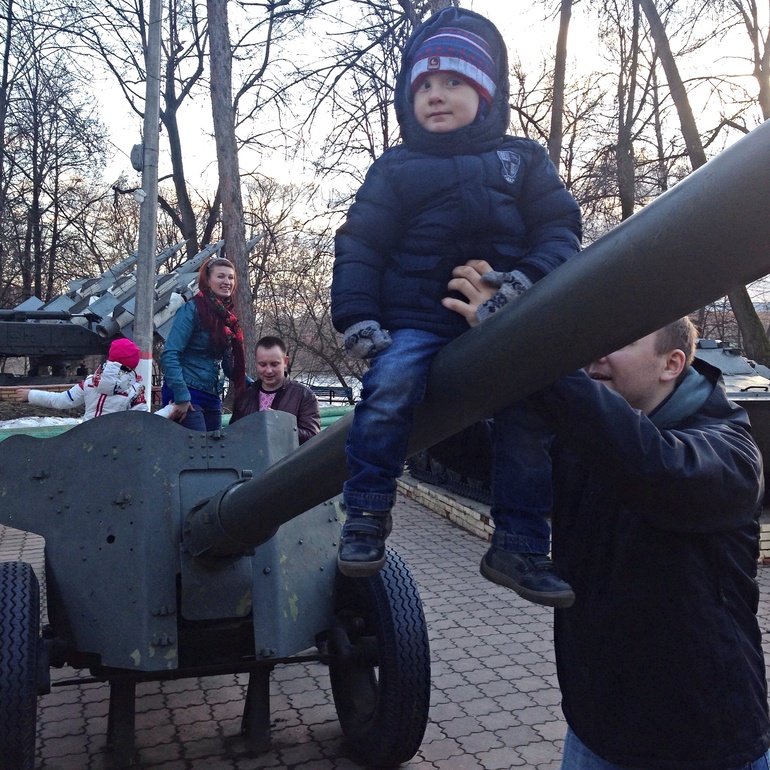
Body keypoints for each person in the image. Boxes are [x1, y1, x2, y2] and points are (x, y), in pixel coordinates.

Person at [447, 263, 770, 769]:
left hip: (705, 745)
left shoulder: (729, 451)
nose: (594, 352)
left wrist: (529, 343)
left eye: (616, 338)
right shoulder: (583, 443)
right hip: (595, 734)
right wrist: (431, 363)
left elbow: (655, 470)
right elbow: (476, 450)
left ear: (672, 364)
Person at [330, 6, 582, 585]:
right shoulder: (395, 169)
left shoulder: (522, 161)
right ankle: (366, 513)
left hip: (501, 318)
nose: (435, 95)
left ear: (487, 95)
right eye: (424, 85)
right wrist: (359, 317)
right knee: (389, 386)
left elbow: (559, 231)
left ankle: (519, 542)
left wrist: (523, 281)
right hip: (415, 319)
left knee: (528, 414)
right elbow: (361, 245)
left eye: (453, 82)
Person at [160, 256, 246, 431]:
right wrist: (182, 396)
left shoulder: (226, 318)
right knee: (197, 452)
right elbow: (170, 354)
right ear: (207, 280)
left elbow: (229, 365)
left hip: (212, 394)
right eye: (220, 276)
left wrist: (254, 384)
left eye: (230, 277)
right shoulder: (191, 309)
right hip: (187, 391)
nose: (227, 282)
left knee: (215, 451)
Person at [16, 338, 147, 418]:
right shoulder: (135, 391)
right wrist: (168, 410)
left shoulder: (90, 382)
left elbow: (62, 400)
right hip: (115, 446)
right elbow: (143, 421)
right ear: (133, 365)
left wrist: (31, 395)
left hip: (86, 441)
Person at [230, 335, 321, 445]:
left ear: (285, 362)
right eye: (262, 364)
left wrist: (280, 425)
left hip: (289, 461)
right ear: (255, 363)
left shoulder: (305, 396)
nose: (268, 370)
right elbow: (232, 435)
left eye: (274, 364)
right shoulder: (244, 396)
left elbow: (312, 438)